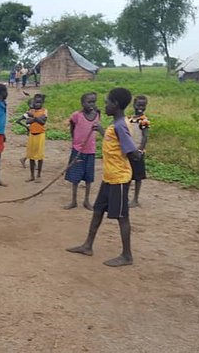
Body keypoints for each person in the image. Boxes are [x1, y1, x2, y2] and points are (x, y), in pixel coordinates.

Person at [66, 87, 142, 267]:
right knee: (98, 211)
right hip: (109, 178)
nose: (104, 105)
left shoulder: (120, 126)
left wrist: (137, 155)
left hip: (119, 179)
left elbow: (132, 152)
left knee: (122, 217)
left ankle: (127, 255)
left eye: (107, 102)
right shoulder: (115, 125)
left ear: (115, 105)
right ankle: (87, 245)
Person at [64, 92, 100, 210]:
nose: (91, 104)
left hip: (90, 151)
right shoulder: (77, 115)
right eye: (88, 102)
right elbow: (72, 125)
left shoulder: (97, 114)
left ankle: (86, 201)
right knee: (75, 177)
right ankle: (74, 201)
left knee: (88, 178)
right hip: (78, 150)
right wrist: (74, 140)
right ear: (82, 103)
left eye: (93, 101)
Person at [17, 94, 47, 183]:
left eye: (39, 102)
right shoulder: (31, 111)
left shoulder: (44, 111)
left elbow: (42, 122)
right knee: (31, 156)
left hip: (40, 135)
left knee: (40, 156)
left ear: (42, 103)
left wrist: (33, 118)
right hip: (32, 134)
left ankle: (38, 175)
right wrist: (36, 119)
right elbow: (28, 121)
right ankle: (32, 176)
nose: (37, 104)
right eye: (36, 102)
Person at [128, 95, 150, 207]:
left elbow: (145, 136)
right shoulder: (130, 119)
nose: (140, 107)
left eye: (143, 105)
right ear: (134, 105)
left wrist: (140, 149)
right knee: (127, 175)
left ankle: (135, 199)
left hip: (138, 151)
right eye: (138, 105)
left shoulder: (144, 120)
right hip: (129, 150)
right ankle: (127, 197)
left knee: (137, 177)